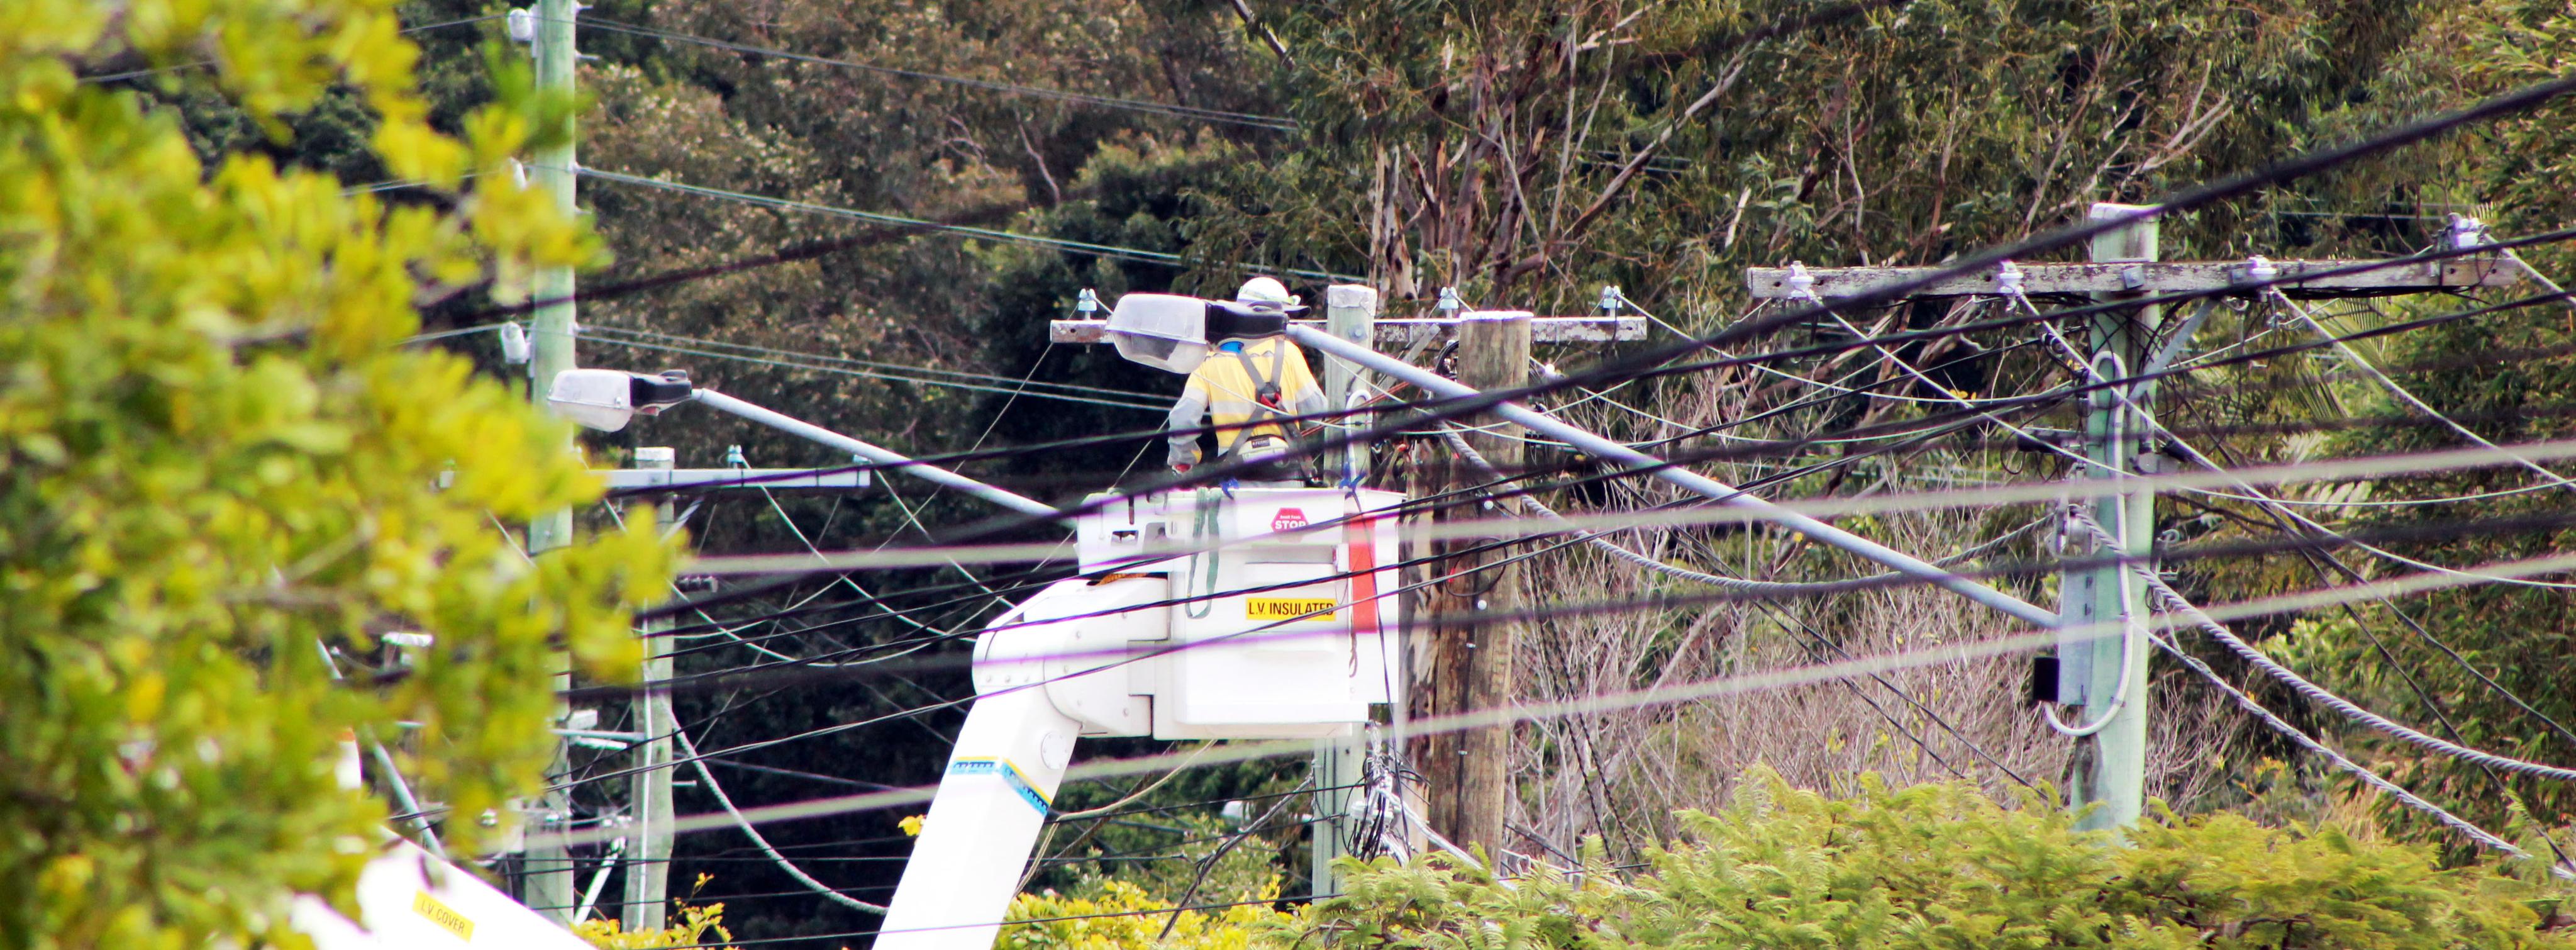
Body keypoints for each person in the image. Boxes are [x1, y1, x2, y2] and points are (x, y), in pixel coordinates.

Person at [1165, 277, 1328, 481]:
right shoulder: (1289, 353)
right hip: (1287, 471)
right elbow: (1317, 413)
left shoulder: (1210, 358)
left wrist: (1184, 462)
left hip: (1236, 474)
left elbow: (1183, 420)